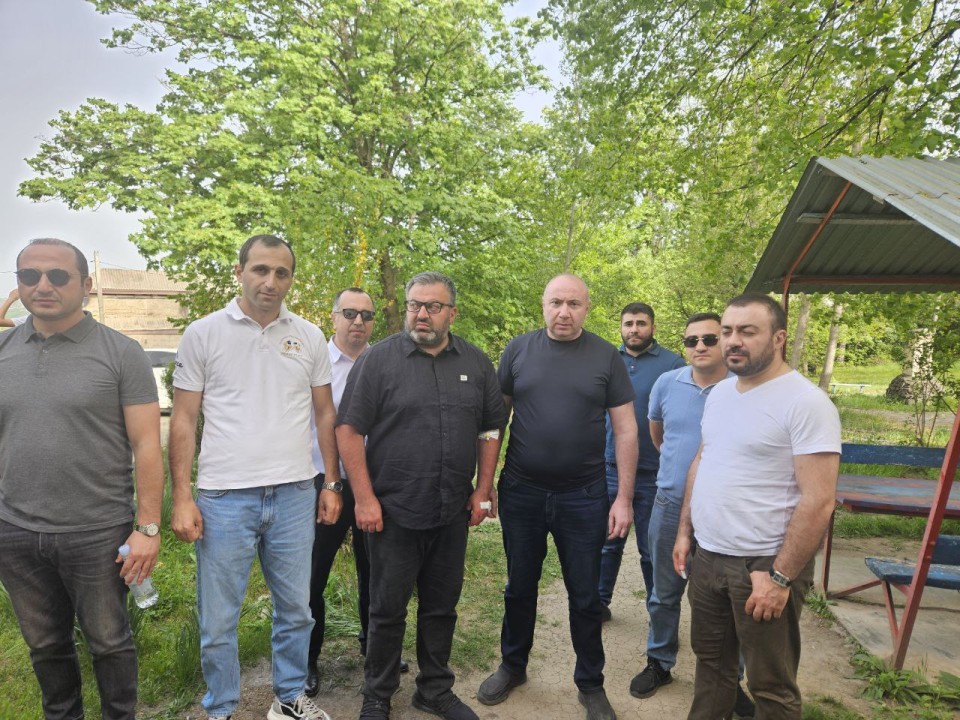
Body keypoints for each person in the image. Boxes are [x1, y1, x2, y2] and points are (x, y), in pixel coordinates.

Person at [169, 234, 340, 720]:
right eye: (261, 270)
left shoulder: (308, 336)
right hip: (224, 497)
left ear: (290, 279)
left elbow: (324, 413)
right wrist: (181, 497)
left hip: (294, 493)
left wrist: (330, 482)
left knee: (297, 611)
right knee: (219, 619)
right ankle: (221, 708)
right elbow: (184, 418)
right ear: (240, 271)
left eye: (281, 273)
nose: (270, 281)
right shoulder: (204, 333)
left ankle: (288, 699)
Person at [0, 238, 164, 720]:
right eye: (29, 276)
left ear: (86, 284)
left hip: (97, 531)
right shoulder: (3, 350)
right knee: (45, 645)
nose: (42, 286)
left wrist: (148, 527)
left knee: (110, 643)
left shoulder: (121, 353)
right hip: (14, 531)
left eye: (57, 276)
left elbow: (147, 445)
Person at [336, 271, 508, 720]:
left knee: (441, 606)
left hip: (452, 510)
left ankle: (434, 690)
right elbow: (348, 430)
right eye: (415, 305)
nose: (422, 314)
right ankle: (378, 694)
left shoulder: (476, 361)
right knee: (386, 609)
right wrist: (364, 499)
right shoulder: (378, 361)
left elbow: (491, 428)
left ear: (452, 312)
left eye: (433, 306)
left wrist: (483, 489)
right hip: (393, 511)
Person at [478, 274, 638, 720]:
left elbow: (626, 430)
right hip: (522, 492)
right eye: (555, 302)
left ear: (587, 307)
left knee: (585, 595)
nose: (563, 312)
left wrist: (623, 499)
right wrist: (484, 483)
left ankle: (590, 683)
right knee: (519, 586)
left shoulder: (606, 356)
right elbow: (496, 421)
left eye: (573, 303)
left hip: (584, 496)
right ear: (543, 305)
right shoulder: (517, 350)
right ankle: (513, 667)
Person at [674, 294, 841, 720]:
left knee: (771, 686)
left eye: (748, 331)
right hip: (709, 557)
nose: (733, 340)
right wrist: (685, 531)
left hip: (764, 565)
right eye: (728, 331)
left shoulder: (806, 403)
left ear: (779, 338)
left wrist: (781, 577)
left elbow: (819, 501)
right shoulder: (720, 393)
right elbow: (703, 460)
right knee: (711, 668)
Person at [630, 312, 754, 717]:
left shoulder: (743, 388)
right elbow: (658, 435)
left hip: (724, 511)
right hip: (669, 505)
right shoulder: (667, 383)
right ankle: (659, 662)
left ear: (725, 342)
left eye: (709, 339)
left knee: (728, 601)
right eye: (691, 340)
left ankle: (729, 679)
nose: (700, 346)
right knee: (663, 592)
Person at [305, 287, 408, 697]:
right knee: (311, 576)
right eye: (349, 313)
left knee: (377, 573)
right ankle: (307, 659)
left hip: (373, 483)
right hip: (322, 483)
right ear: (333, 317)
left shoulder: (384, 363)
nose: (358, 322)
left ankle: (375, 650)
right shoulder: (315, 364)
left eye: (366, 315)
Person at [597, 302, 684, 620]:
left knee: (652, 550)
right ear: (621, 327)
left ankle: (657, 612)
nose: (634, 329)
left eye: (641, 323)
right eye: (628, 323)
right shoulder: (607, 360)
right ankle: (599, 604)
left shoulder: (673, 364)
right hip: (609, 468)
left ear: (653, 327)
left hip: (653, 471)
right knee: (608, 542)